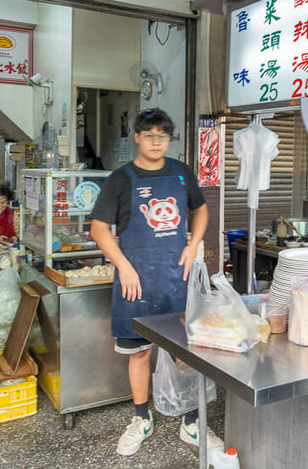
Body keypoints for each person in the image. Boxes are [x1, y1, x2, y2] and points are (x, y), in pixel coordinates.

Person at [89, 108, 222, 457]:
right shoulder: (121, 178)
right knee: (139, 352)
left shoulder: (182, 173)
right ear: (137, 137)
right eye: (149, 135)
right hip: (136, 280)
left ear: (168, 139)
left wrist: (193, 244)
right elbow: (99, 229)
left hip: (176, 278)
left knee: (186, 353)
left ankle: (192, 421)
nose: (156, 142)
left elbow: (201, 209)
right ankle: (141, 418)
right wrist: (124, 267)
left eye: (162, 136)